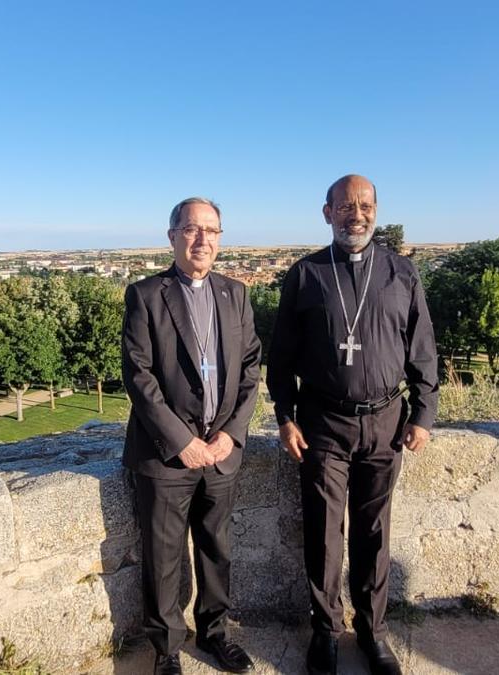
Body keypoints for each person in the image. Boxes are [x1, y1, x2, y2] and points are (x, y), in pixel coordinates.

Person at [266, 175, 438, 675]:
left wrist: (423, 414)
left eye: (364, 206)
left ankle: (373, 631)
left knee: (374, 533)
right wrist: (284, 416)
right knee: (323, 533)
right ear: (327, 213)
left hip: (386, 422)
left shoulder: (401, 273)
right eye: (344, 207)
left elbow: (422, 351)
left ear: (376, 211)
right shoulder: (305, 274)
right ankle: (325, 631)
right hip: (322, 423)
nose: (355, 215)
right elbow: (281, 359)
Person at [122, 197, 263, 675]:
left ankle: (216, 633)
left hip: (221, 451)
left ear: (221, 238)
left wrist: (231, 433)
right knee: (162, 557)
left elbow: (249, 369)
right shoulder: (145, 295)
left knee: (216, 548)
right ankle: (166, 650)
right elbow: (139, 377)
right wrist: (182, 440)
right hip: (166, 456)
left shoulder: (235, 294)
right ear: (172, 237)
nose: (202, 239)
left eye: (212, 230)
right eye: (191, 229)